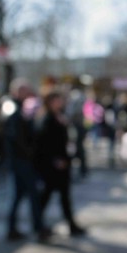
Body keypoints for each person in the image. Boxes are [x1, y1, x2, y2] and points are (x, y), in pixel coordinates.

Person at [5, 79, 50, 242]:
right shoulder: (12, 109)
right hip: (21, 161)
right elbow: (16, 138)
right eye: (24, 90)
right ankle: (38, 228)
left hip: (22, 160)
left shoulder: (23, 109)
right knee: (32, 194)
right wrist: (30, 153)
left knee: (19, 195)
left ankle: (12, 228)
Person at [36, 92, 86, 237]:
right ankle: (39, 225)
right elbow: (44, 143)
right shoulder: (47, 119)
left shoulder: (61, 116)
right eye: (57, 100)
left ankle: (71, 224)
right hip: (53, 165)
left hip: (64, 163)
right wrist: (55, 159)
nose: (60, 102)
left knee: (64, 196)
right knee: (46, 196)